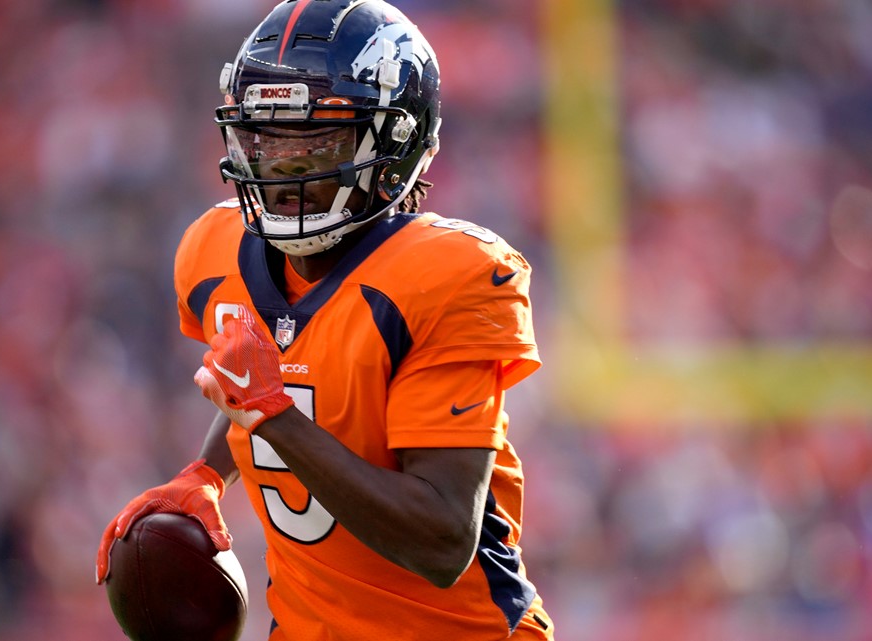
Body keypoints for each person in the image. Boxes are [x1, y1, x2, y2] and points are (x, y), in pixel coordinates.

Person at [96, 0, 554, 638]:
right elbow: (286, 382)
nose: (282, 165)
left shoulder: (450, 277)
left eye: (317, 139)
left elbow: (443, 540)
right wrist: (205, 474)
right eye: (266, 136)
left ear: (395, 141)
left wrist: (270, 414)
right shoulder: (213, 253)